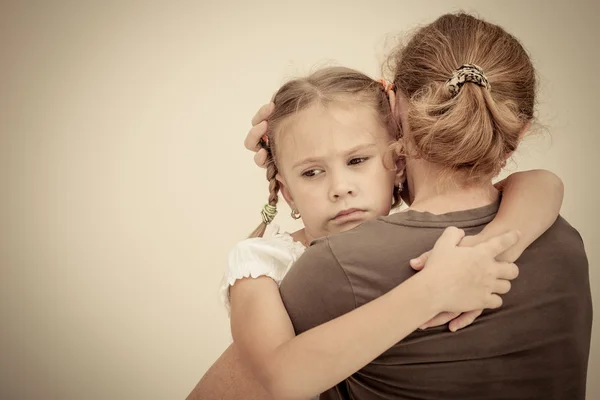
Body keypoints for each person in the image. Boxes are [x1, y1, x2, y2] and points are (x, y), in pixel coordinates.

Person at [187, 65, 564, 399]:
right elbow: (279, 379)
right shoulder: (260, 264)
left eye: (357, 161)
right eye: (311, 172)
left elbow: (543, 183)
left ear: (397, 163)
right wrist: (433, 289)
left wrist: (490, 246)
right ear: (287, 193)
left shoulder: (424, 230)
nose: (340, 187)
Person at [273, 13, 592, 399]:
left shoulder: (333, 267)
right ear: (519, 132)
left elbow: (253, 385)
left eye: (356, 160)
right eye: (312, 172)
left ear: (394, 109)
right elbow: (544, 181)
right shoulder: (565, 243)